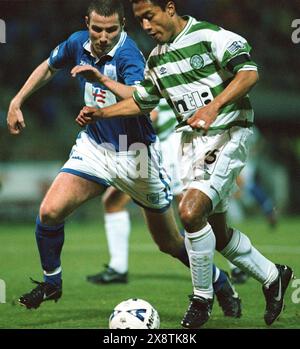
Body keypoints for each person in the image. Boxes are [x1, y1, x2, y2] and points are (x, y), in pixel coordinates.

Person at [6, 0, 239, 318]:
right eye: (97, 29)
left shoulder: (130, 56)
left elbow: (141, 102)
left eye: (111, 29)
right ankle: (52, 283)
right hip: (95, 146)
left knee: (169, 243)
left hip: (136, 154)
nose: (103, 36)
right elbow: (49, 66)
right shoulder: (77, 43)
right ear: (87, 23)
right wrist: (17, 100)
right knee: (49, 211)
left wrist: (101, 83)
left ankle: (218, 280)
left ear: (123, 27)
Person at [75, 0, 293, 328]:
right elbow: (141, 101)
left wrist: (214, 107)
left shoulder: (210, 37)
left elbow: (249, 73)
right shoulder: (157, 59)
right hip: (191, 143)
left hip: (227, 132)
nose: (146, 26)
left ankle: (202, 299)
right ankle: (273, 276)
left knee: (189, 212)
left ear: (170, 8)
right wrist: (100, 113)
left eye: (149, 17)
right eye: (140, 21)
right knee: (216, 235)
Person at [85, 99, 241, 318]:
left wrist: (108, 115)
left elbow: (152, 113)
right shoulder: (108, 73)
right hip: (133, 146)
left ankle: (233, 266)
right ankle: (118, 267)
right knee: (117, 204)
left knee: (191, 211)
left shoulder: (141, 68)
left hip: (165, 144)